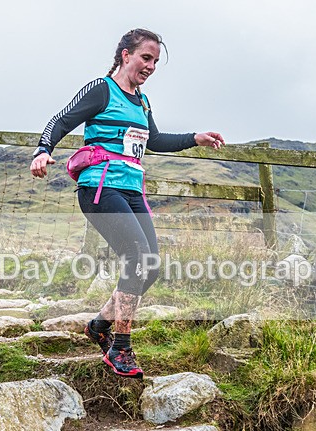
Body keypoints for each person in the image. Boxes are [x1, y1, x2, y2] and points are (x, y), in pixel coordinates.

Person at [30, 28, 225, 379]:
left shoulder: (142, 102)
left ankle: (100, 326)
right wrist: (43, 151)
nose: (150, 66)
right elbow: (60, 120)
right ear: (125, 55)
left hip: (133, 191)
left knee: (149, 266)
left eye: (155, 62)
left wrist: (195, 138)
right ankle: (120, 347)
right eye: (145, 58)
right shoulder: (102, 89)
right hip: (101, 189)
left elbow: (156, 140)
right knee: (137, 257)